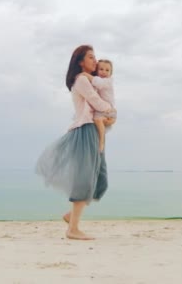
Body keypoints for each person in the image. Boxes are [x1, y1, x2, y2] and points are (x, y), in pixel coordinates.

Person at [35, 45, 116, 240]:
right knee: (85, 178)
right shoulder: (81, 79)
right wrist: (112, 112)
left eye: (95, 57)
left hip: (95, 131)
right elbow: (96, 102)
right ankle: (73, 229)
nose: (95, 61)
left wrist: (108, 115)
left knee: (99, 181)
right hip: (86, 130)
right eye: (90, 57)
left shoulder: (93, 80)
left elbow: (100, 100)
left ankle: (71, 217)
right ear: (80, 61)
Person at [79, 59, 116, 153]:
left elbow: (99, 83)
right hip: (102, 111)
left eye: (107, 70)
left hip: (109, 111)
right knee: (98, 122)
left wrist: (86, 75)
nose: (104, 72)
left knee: (98, 120)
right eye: (101, 69)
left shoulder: (108, 81)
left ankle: (102, 142)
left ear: (111, 74)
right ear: (97, 70)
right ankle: (99, 142)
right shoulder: (97, 80)